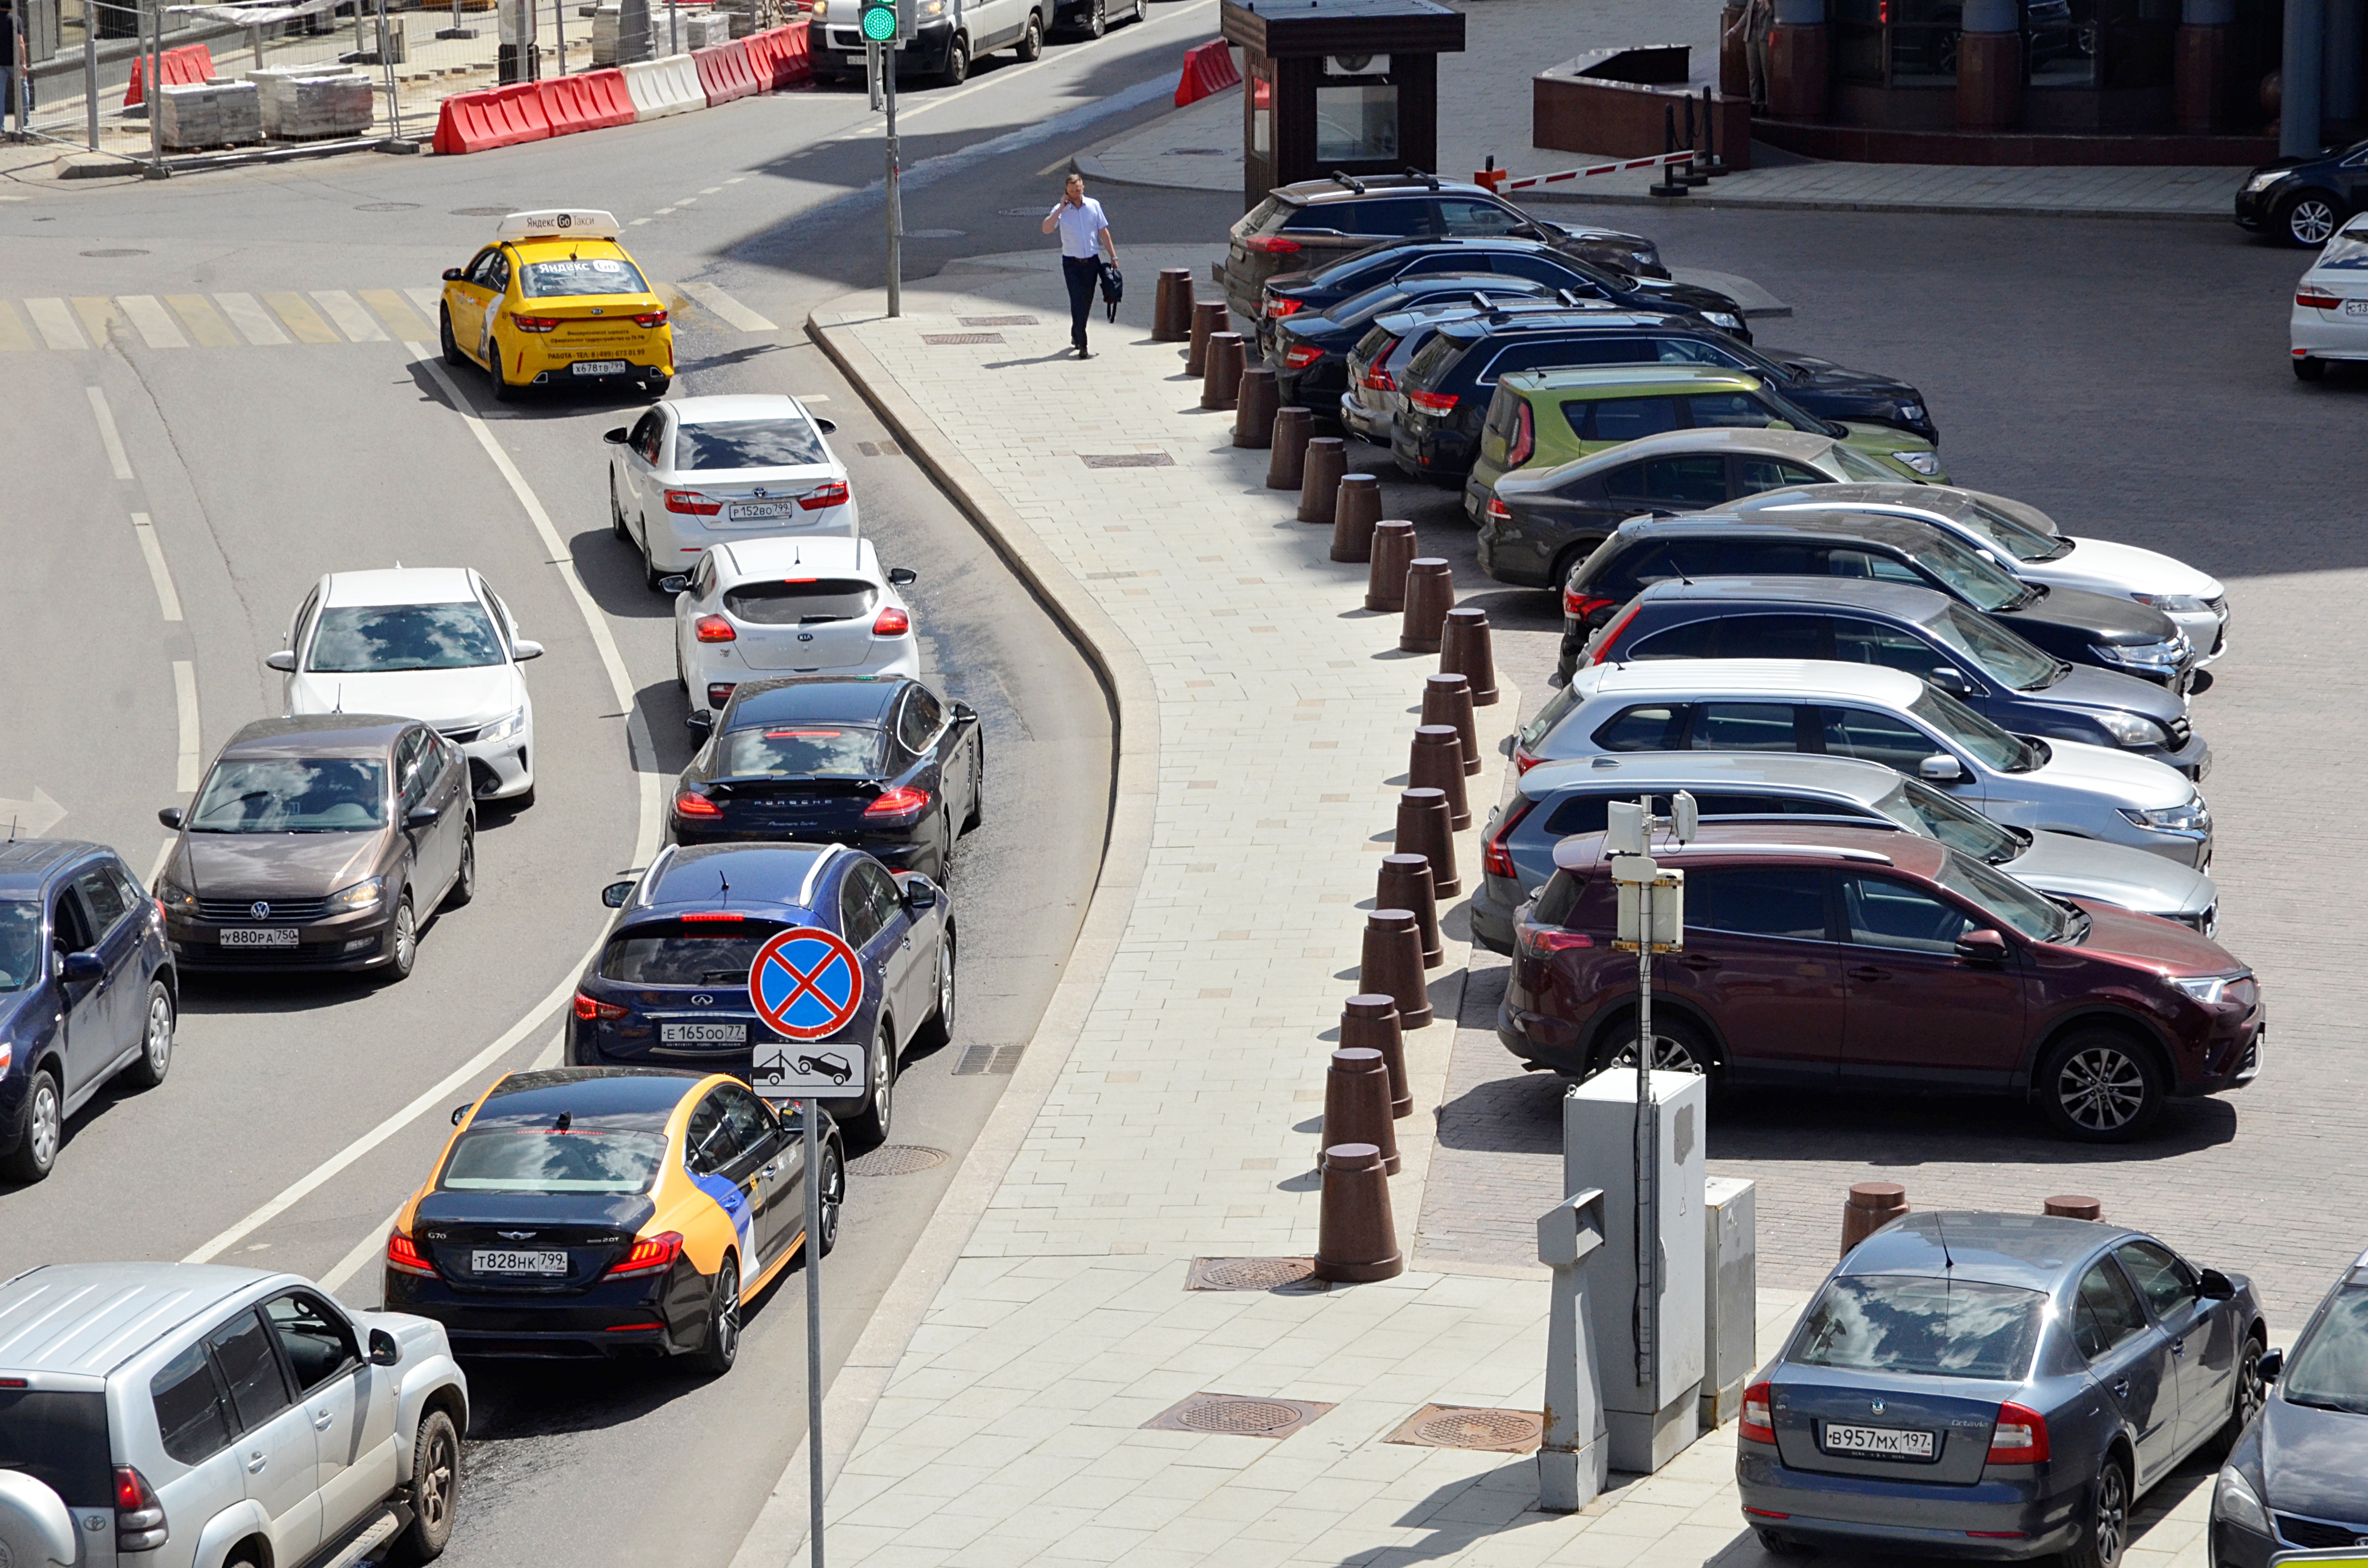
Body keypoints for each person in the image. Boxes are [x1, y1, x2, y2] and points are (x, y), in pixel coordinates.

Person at [1042, 172, 1115, 360]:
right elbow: (1047, 229)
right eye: (1071, 191)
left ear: (1083, 188)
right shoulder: (1061, 210)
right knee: (1076, 299)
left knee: (1087, 300)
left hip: (1091, 261)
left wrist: (1113, 256)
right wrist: (1060, 209)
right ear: (1066, 192)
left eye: (1078, 190)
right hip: (1072, 264)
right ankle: (1083, 343)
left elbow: (1103, 231)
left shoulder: (1093, 206)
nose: (1075, 194)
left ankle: (1076, 331)